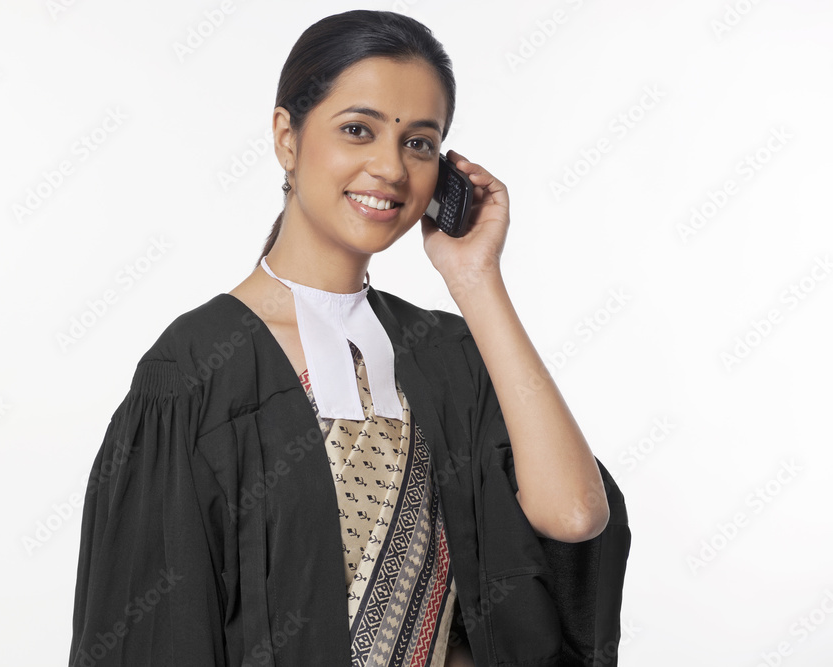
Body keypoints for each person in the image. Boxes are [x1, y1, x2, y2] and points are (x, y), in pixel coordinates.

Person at [68, 9, 630, 667]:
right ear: (287, 136)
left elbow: (574, 517)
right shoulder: (193, 375)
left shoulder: (448, 353)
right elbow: (154, 638)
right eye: (358, 130)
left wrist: (476, 280)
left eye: (419, 143)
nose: (390, 168)